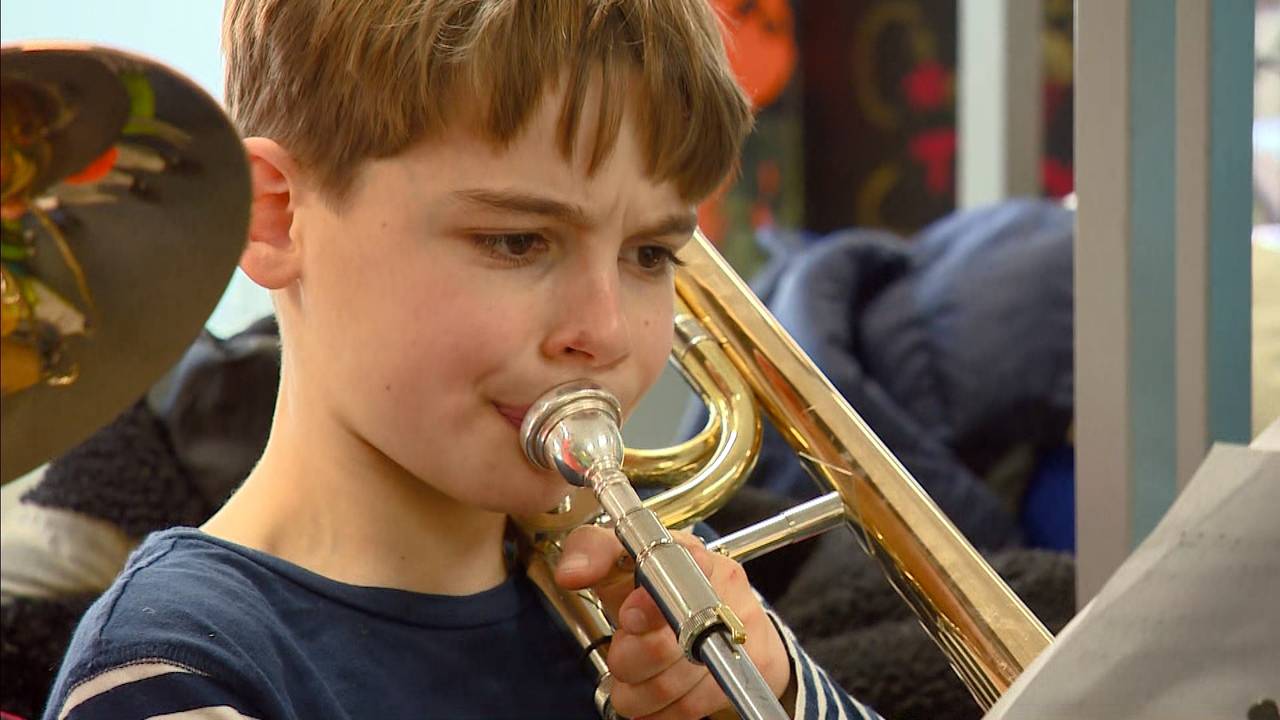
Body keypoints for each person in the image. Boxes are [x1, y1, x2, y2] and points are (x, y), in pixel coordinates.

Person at [43, 2, 883, 719]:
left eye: (652, 253)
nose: (606, 330)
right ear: (274, 218)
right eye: (517, 241)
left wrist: (775, 684)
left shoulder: (654, 597)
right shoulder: (171, 670)